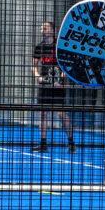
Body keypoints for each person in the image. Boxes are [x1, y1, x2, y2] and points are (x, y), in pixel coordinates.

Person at [32, 20, 71, 152]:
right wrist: (38, 76)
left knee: (61, 113)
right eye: (42, 28)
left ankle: (71, 142)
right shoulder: (39, 47)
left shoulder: (60, 47)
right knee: (42, 113)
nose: (42, 30)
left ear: (52, 31)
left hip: (58, 85)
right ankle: (43, 144)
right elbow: (34, 66)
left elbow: (66, 66)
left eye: (45, 28)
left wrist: (61, 80)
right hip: (44, 85)